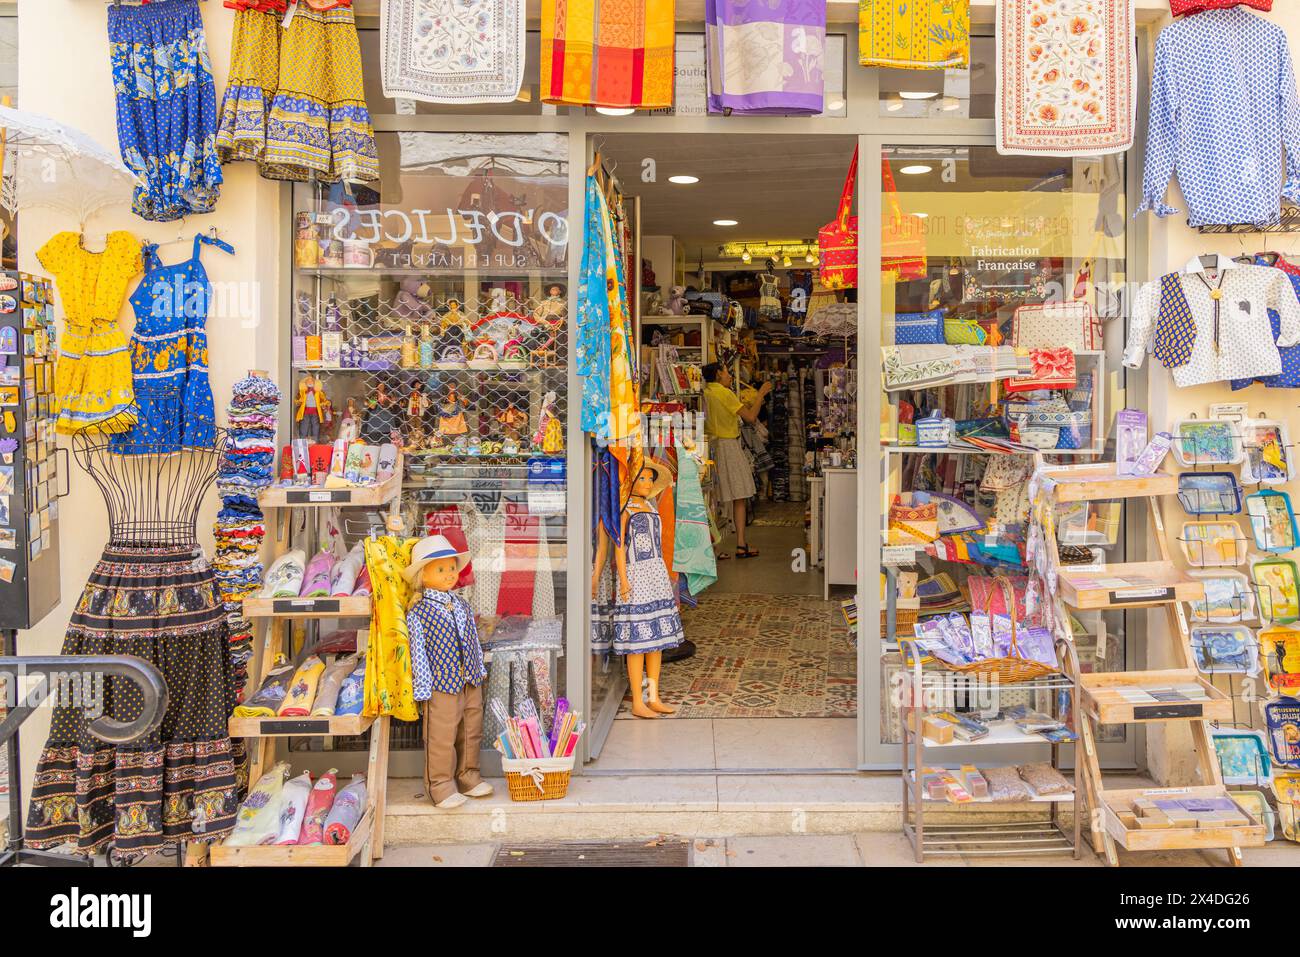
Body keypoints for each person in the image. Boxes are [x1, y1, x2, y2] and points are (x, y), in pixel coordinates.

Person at [701, 361, 771, 559]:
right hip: (729, 446)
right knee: (740, 494)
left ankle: (713, 548)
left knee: (713, 498)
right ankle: (741, 544)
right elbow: (750, 417)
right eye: (726, 373)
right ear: (718, 375)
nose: (730, 376)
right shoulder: (724, 393)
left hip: (710, 447)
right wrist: (760, 395)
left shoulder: (706, 393)